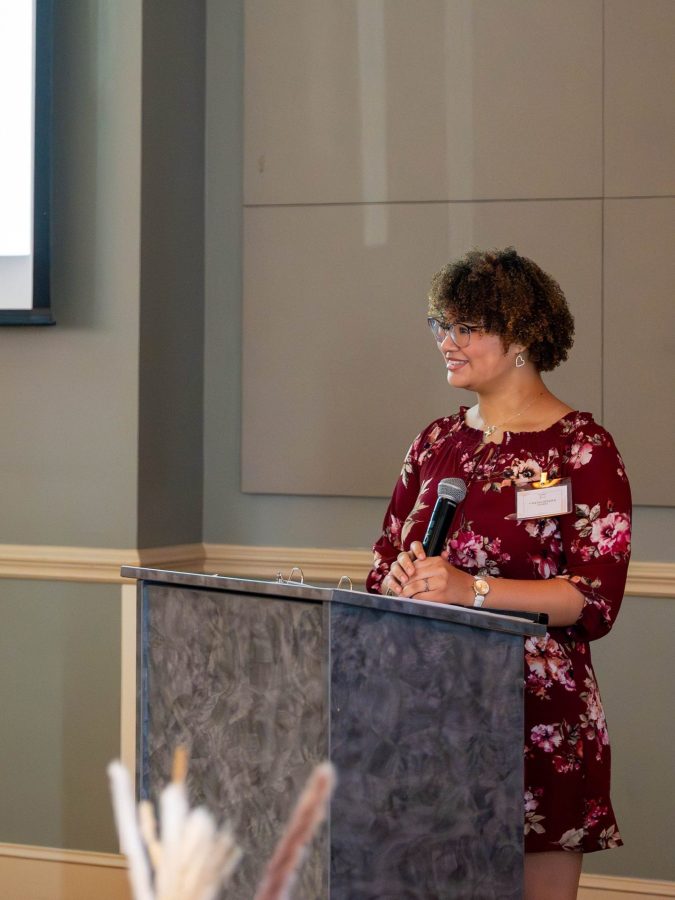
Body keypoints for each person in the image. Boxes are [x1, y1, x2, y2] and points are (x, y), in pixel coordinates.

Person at [367, 248, 632, 900]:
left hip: (534, 711)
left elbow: (592, 599)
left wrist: (470, 589)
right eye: (439, 325)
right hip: (425, 703)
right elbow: (379, 561)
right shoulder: (434, 441)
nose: (446, 343)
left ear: (520, 336)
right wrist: (400, 578)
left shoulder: (580, 447)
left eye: (465, 328)